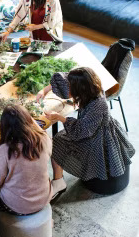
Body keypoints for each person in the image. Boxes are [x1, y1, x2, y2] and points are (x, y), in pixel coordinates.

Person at [37, 67, 135, 198]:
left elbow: (81, 131)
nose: (69, 89)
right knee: (59, 138)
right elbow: (64, 78)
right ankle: (58, 180)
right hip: (90, 128)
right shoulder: (90, 84)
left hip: (97, 137)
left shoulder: (98, 105)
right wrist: (44, 90)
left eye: (72, 88)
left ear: (81, 88)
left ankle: (58, 182)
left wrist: (60, 118)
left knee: (56, 143)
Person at [0, 104, 53, 215]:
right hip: (43, 199)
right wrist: (24, 115)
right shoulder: (44, 139)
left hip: (18, 207)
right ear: (28, 120)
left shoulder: (5, 150)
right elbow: (39, 129)